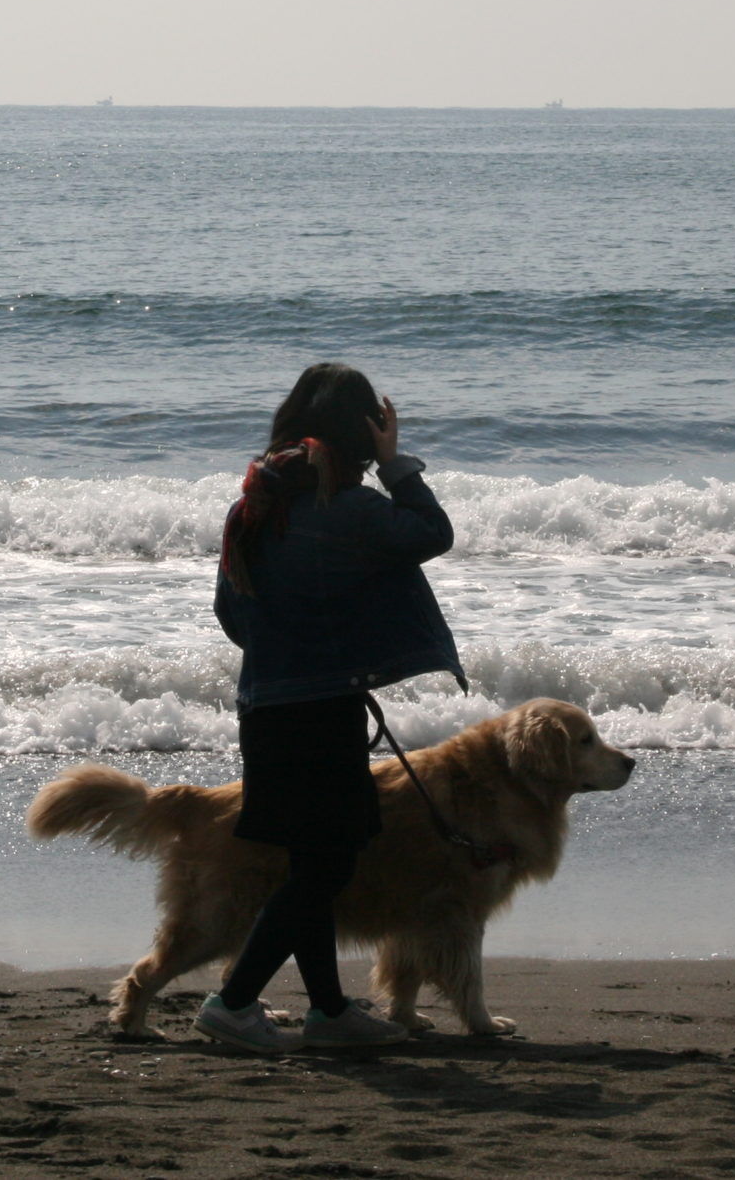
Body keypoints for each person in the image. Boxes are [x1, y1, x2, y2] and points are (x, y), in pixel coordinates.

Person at [192, 362, 465, 1053]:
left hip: (264, 708)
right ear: (361, 431)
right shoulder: (352, 507)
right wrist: (397, 462)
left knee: (307, 862)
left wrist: (288, 649)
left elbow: (232, 613)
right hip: (320, 711)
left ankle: (329, 1011)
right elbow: (432, 532)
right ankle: (233, 1000)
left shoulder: (253, 505)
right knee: (328, 865)